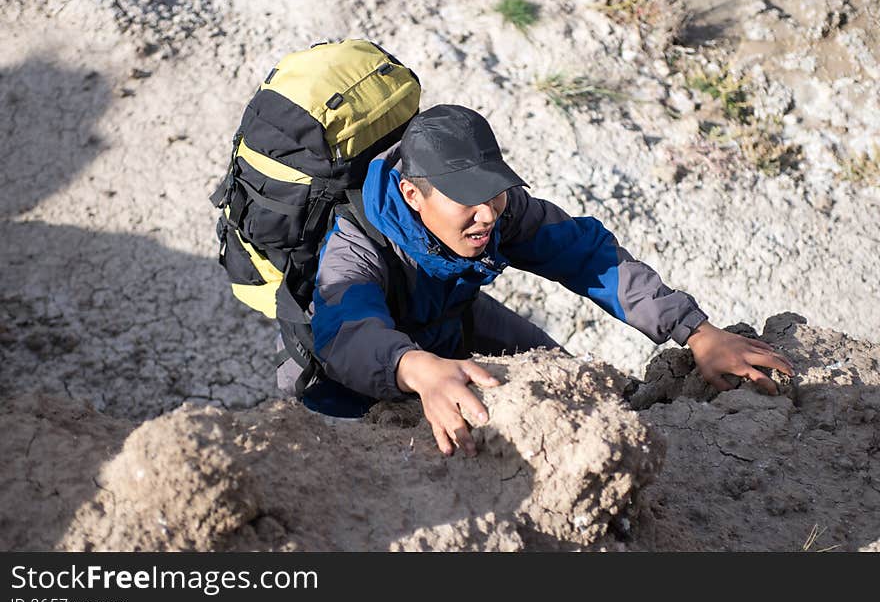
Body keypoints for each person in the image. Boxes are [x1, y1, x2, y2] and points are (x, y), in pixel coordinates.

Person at [283, 104, 794, 457]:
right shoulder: (355, 244)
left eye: (495, 192)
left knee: (565, 380)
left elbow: (587, 256)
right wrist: (418, 370)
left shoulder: (498, 211)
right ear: (414, 196)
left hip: (446, 319)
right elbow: (349, 330)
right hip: (348, 374)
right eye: (467, 198)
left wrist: (697, 333)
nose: (487, 214)